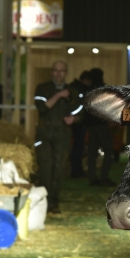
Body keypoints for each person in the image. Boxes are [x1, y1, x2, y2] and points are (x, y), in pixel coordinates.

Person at [34, 60, 82, 213]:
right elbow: (42, 108)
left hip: (63, 135)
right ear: (51, 72)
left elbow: (80, 112)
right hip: (44, 134)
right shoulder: (42, 88)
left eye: (62, 71)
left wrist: (74, 119)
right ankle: (42, 202)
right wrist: (59, 95)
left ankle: (53, 202)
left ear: (66, 73)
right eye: (55, 70)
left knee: (59, 169)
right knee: (45, 168)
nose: (58, 74)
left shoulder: (74, 92)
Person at [85, 68, 115, 187]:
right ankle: (104, 177)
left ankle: (92, 178)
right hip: (102, 125)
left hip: (91, 126)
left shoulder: (89, 90)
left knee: (92, 154)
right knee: (108, 152)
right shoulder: (104, 89)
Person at [69, 70, 93, 178]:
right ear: (86, 80)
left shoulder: (72, 87)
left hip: (73, 121)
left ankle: (76, 170)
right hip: (77, 122)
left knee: (76, 147)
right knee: (78, 148)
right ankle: (76, 171)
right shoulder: (79, 90)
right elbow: (80, 107)